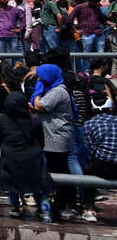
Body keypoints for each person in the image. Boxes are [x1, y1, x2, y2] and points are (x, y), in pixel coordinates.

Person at [0, 66, 54, 221]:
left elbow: (0, 139)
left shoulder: (1, 119)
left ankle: (15, 207)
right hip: (32, 154)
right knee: (39, 182)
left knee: (12, 183)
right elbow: (41, 141)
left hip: (10, 155)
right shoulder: (34, 120)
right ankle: (43, 207)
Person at [33, 64, 78, 220]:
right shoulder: (55, 89)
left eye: (42, 77)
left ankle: (66, 203)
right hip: (53, 137)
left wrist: (37, 93)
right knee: (58, 170)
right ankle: (63, 202)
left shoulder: (57, 91)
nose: (40, 80)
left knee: (60, 172)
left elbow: (39, 105)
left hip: (57, 138)